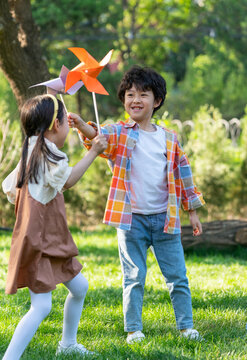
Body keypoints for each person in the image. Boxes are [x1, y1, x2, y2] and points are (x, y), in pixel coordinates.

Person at [68, 65, 205, 344]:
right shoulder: (119, 133)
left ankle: (186, 326)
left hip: (165, 220)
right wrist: (83, 125)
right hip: (132, 221)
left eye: (143, 94)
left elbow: (183, 175)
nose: (136, 100)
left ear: (157, 101)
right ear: (123, 100)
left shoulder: (169, 138)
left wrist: (192, 212)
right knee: (133, 277)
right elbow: (98, 137)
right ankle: (134, 329)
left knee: (178, 276)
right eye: (130, 94)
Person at [1, 94, 107, 359]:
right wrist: (94, 150)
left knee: (79, 288)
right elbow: (69, 180)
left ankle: (68, 344)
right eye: (65, 120)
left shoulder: (32, 148)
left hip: (50, 240)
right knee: (41, 307)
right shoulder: (49, 153)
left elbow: (9, 188)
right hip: (41, 242)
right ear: (56, 126)